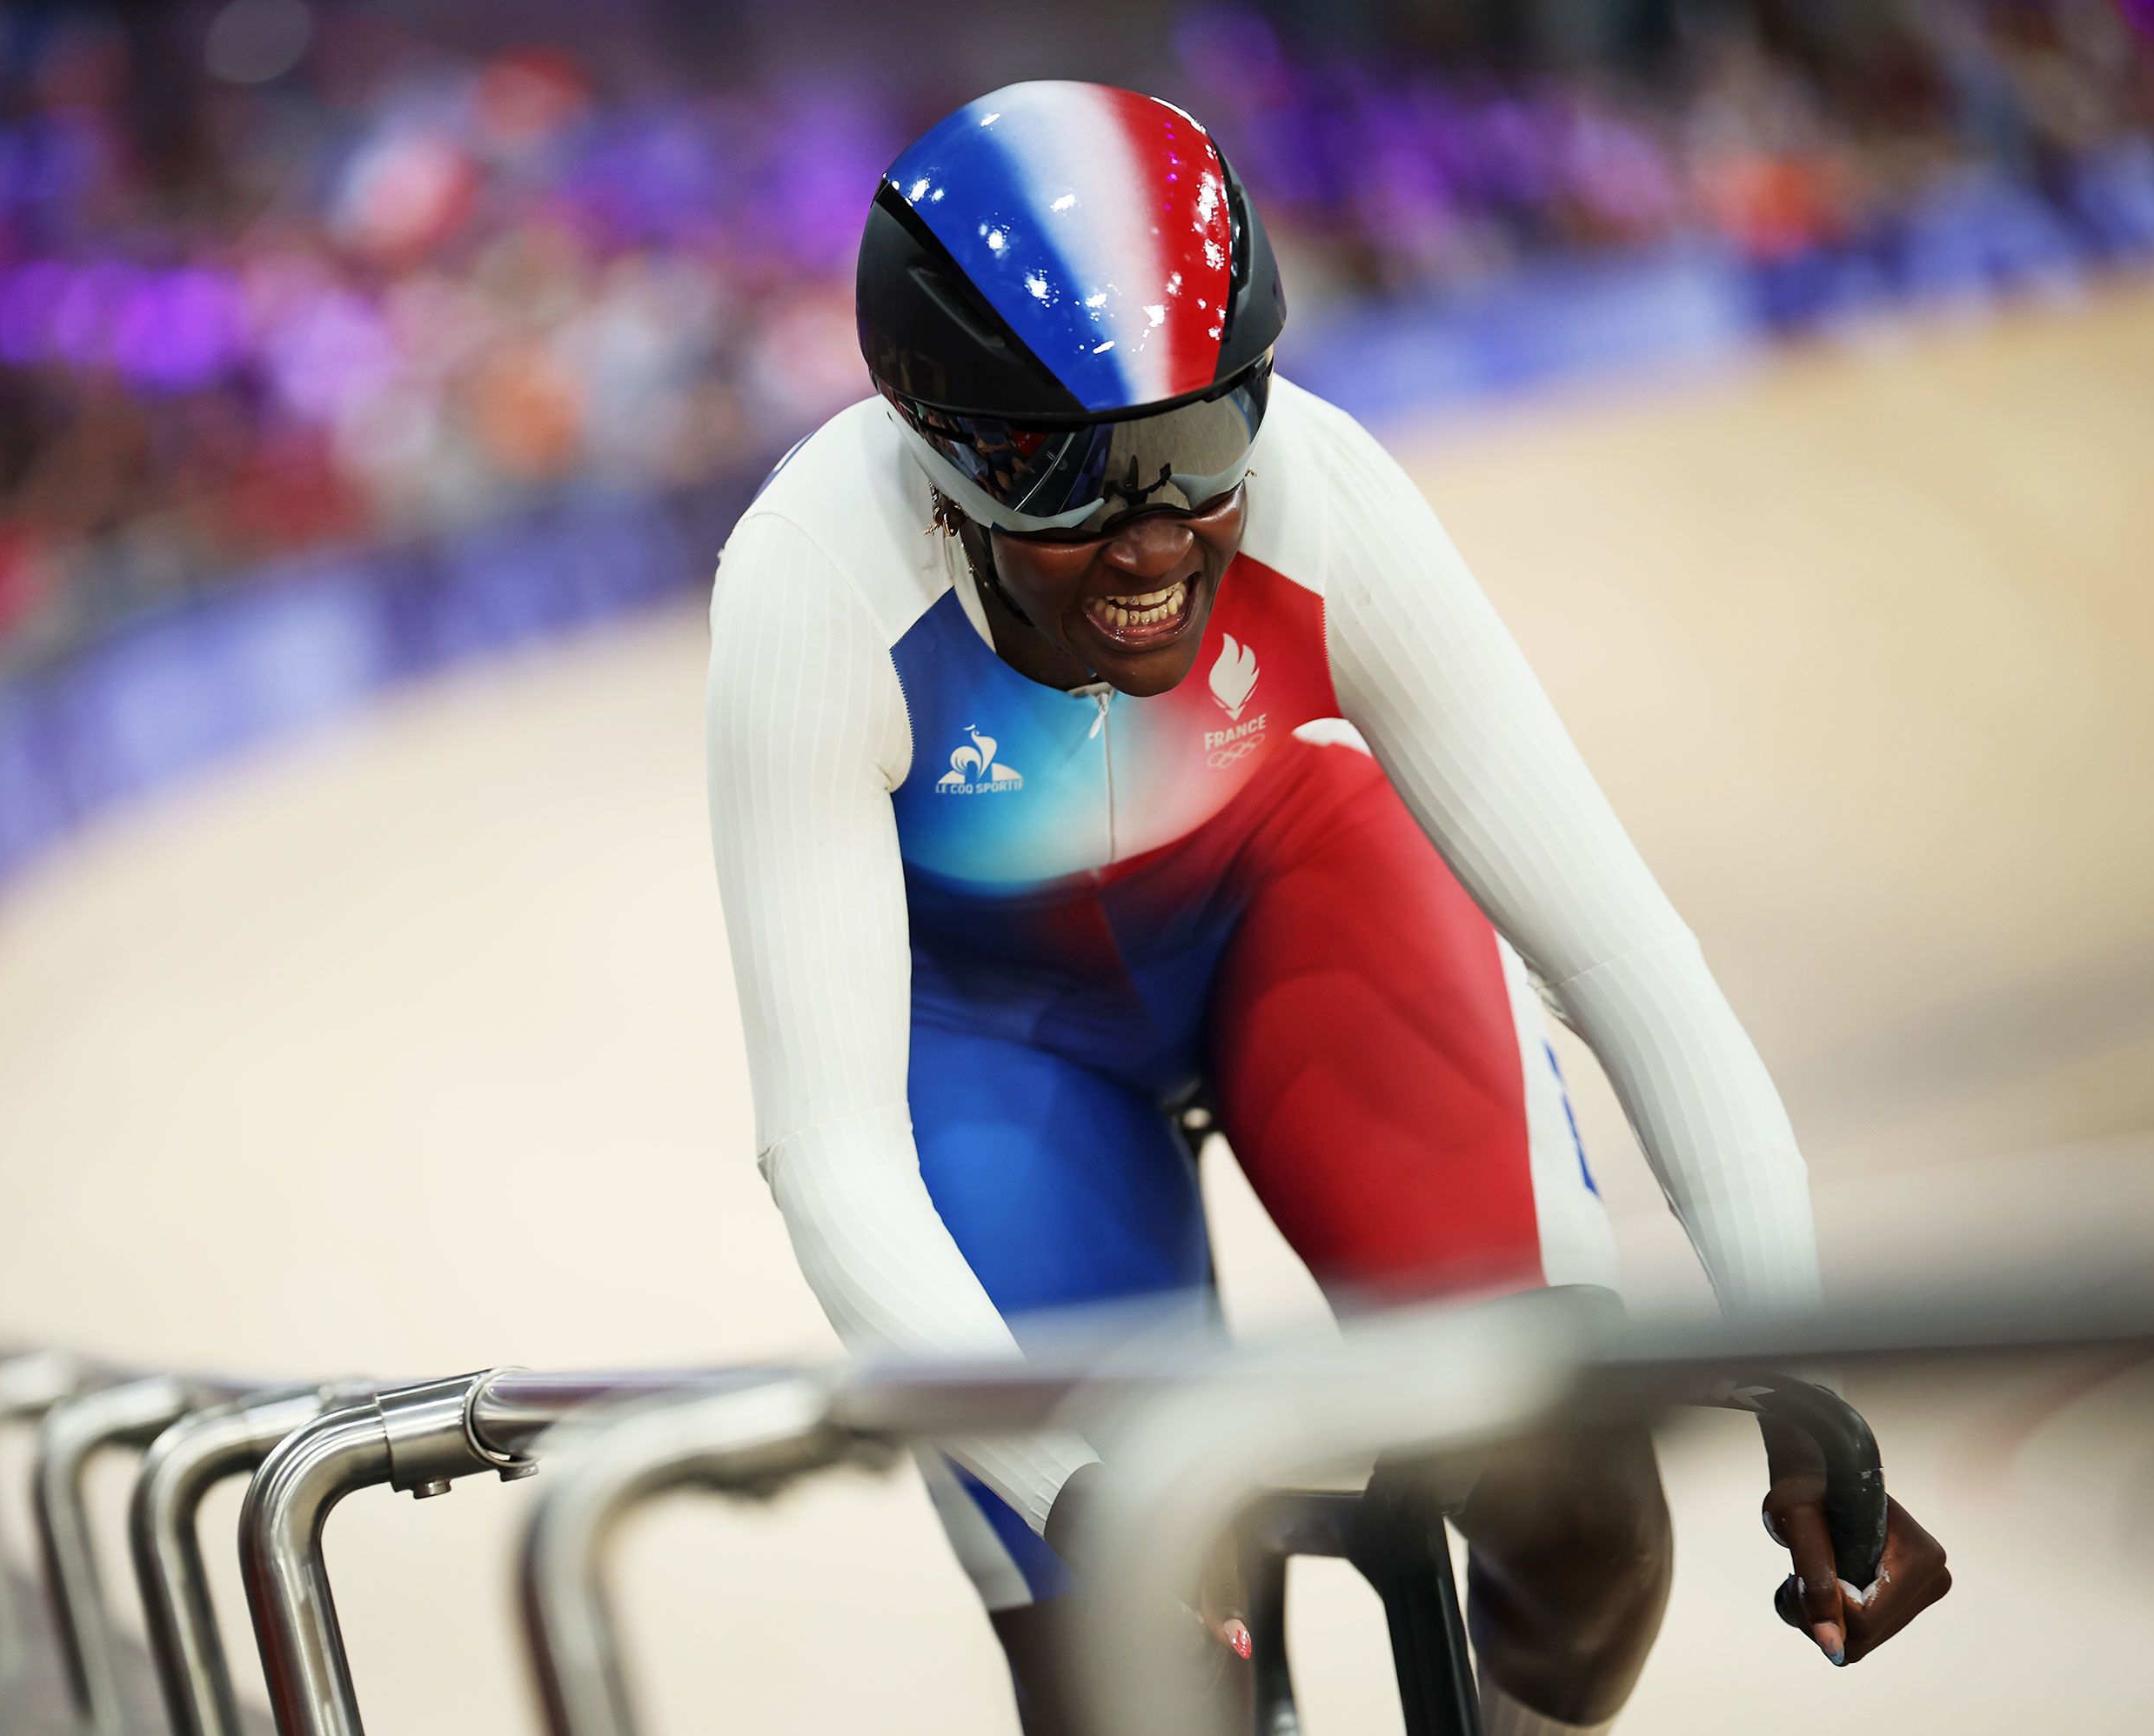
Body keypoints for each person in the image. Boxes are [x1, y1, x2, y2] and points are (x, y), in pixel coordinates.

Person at [705, 81, 1948, 1734]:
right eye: (1076, 485)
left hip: (1284, 897)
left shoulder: (1326, 492)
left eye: (1200, 450)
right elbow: (835, 1157)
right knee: (1139, 1695)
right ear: (945, 460)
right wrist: (1089, 1502)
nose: (1153, 536)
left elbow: (1627, 960)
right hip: (993, 1033)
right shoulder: (810, 585)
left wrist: (1819, 1393)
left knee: (1579, 1526)